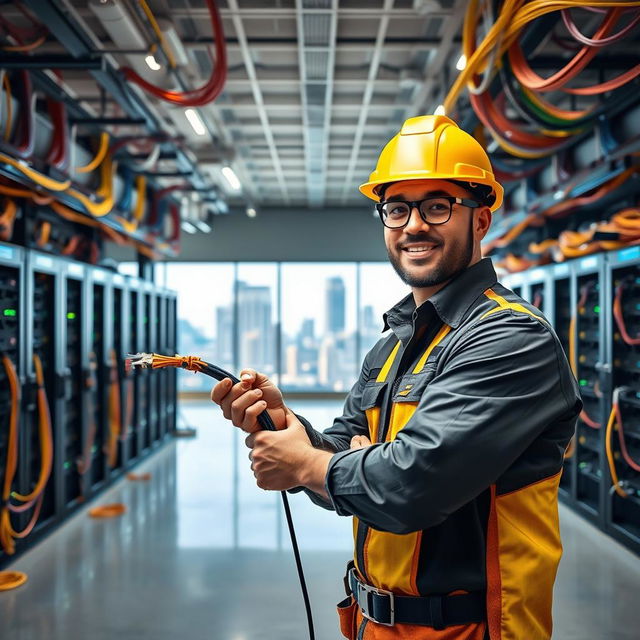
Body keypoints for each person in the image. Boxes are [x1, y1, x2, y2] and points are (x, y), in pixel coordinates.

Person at [211, 115, 581, 640]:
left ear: (480, 219)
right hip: (372, 624)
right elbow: (347, 455)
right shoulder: (395, 342)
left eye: (437, 206)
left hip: (473, 630)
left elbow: (410, 485)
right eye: (397, 208)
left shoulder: (511, 338)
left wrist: (317, 463)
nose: (413, 225)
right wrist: (285, 426)